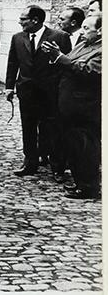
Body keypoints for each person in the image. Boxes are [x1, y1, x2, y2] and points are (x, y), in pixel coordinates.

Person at [5, 5, 71, 179]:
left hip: (51, 92)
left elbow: (67, 65)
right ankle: (30, 163)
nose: (20, 22)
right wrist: (9, 87)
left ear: (35, 20)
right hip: (26, 91)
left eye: (23, 19)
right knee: (28, 127)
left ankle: (57, 167)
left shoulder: (59, 37)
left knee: (53, 128)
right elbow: (13, 63)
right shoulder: (17, 38)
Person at [41, 15, 101, 199]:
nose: (81, 32)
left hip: (85, 109)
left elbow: (90, 72)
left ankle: (89, 187)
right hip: (70, 106)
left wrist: (60, 57)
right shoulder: (84, 44)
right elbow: (69, 62)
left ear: (100, 31)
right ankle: (80, 182)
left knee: (86, 148)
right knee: (74, 147)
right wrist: (56, 56)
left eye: (86, 28)